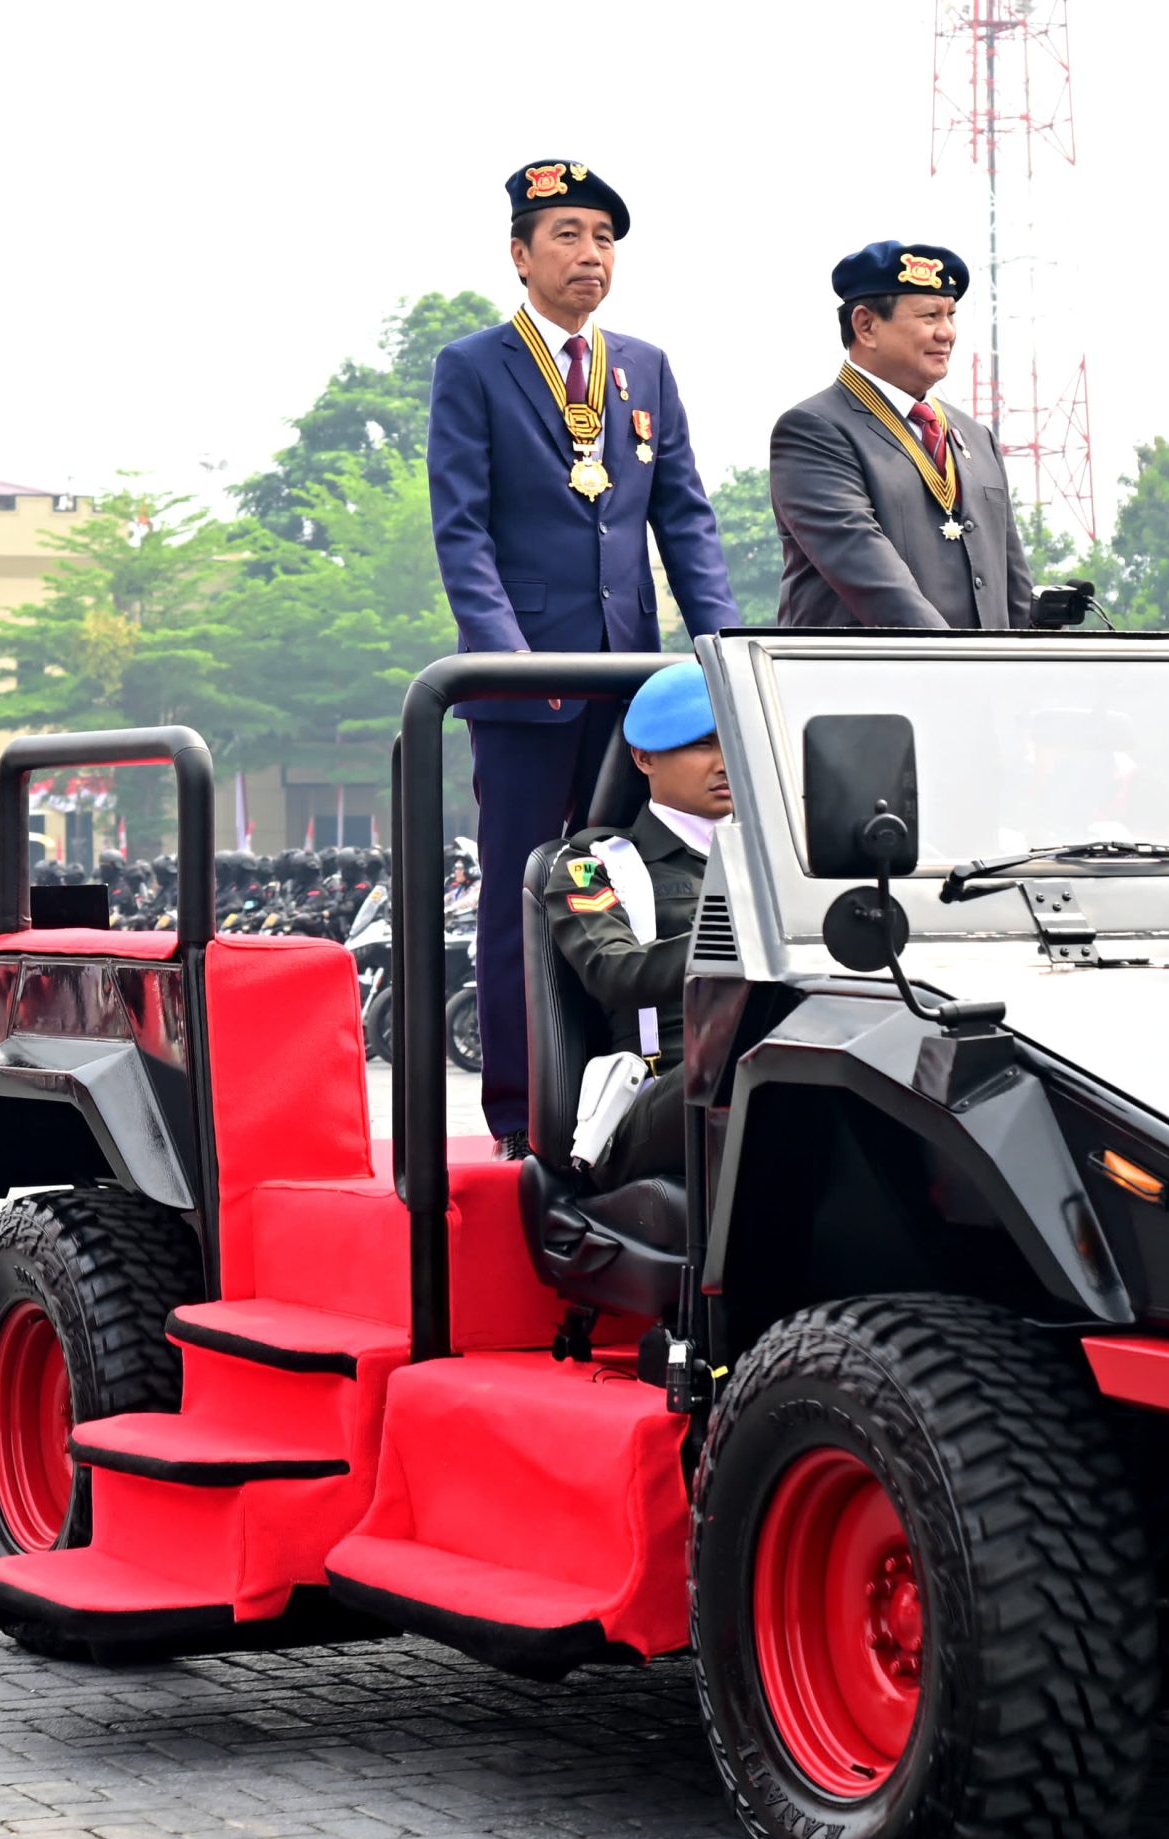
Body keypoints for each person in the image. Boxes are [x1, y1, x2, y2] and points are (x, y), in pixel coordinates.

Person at [429, 159, 741, 1154]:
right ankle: (523, 1115)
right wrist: (511, 663)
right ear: (520, 254)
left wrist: (722, 656)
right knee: (526, 892)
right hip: (524, 697)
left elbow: (686, 524)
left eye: (604, 237)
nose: (589, 255)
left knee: (622, 889)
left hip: (631, 686)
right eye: (566, 235)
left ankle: (626, 1103)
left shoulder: (643, 367)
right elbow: (463, 534)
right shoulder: (474, 366)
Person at [770, 242, 1046, 630]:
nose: (947, 332)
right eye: (929, 316)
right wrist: (958, 664)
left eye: (950, 315)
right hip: (865, 681)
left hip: (979, 680)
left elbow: (1013, 585)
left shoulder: (974, 436)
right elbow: (871, 577)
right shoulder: (815, 430)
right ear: (865, 326)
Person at [540, 661, 733, 1189]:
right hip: (661, 1089)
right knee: (748, 1061)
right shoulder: (597, 861)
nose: (726, 763)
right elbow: (612, 970)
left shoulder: (790, 856)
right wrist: (750, 941)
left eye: (736, 742)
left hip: (788, 1058)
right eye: (702, 745)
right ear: (644, 757)